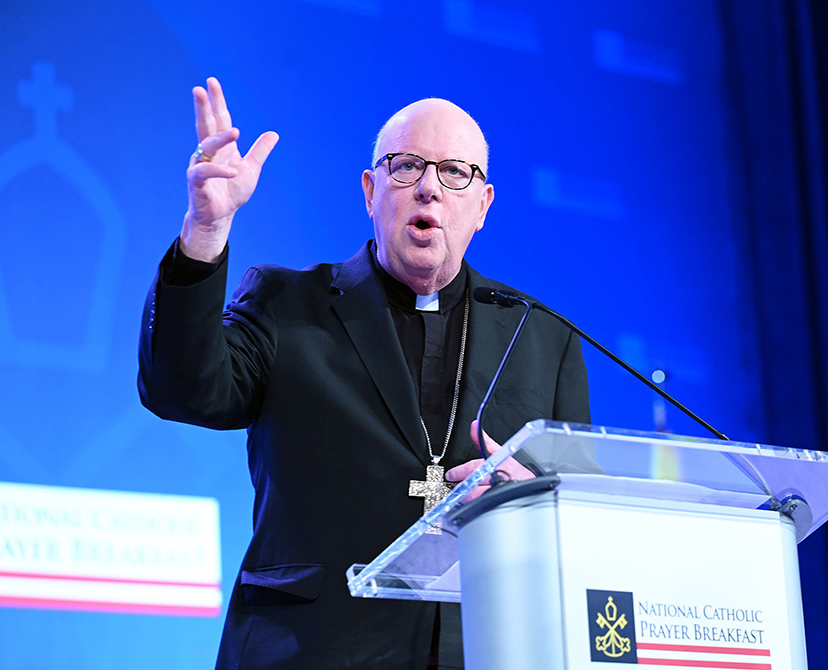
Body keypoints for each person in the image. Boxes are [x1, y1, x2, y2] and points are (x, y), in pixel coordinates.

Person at [138, 78, 590, 669]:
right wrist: (206, 232)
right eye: (406, 167)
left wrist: (529, 502)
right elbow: (182, 390)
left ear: (482, 207)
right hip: (310, 650)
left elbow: (573, 516)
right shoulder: (285, 304)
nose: (429, 188)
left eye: (455, 173)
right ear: (371, 191)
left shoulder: (542, 335)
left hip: (485, 646)